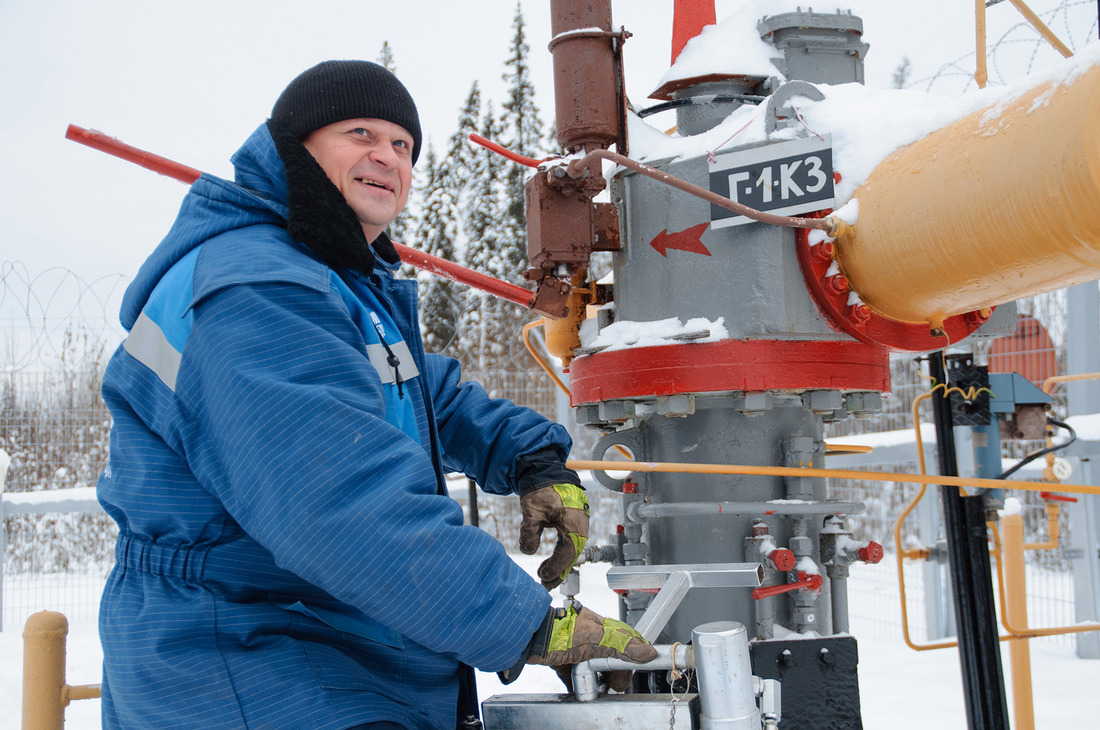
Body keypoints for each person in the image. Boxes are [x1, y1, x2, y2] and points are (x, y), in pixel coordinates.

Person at [96, 60, 655, 730]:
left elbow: (427, 397)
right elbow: (342, 506)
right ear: (294, 147)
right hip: (243, 659)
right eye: (359, 133)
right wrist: (524, 622)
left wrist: (530, 457)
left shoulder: (335, 283)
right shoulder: (253, 290)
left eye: (402, 145)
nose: (386, 157)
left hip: (332, 648)